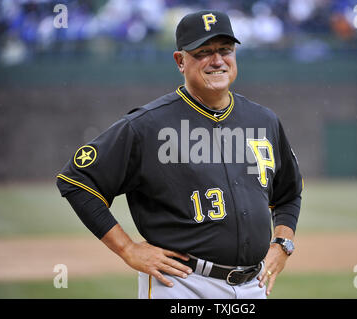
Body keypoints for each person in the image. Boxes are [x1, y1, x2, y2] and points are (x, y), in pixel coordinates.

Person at [56, 10, 303, 299]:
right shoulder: (147, 126)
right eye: (204, 52)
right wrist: (127, 249)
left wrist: (283, 244)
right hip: (182, 285)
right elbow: (76, 180)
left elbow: (288, 192)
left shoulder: (264, 120)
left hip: (253, 286)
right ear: (180, 61)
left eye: (226, 50)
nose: (217, 60)